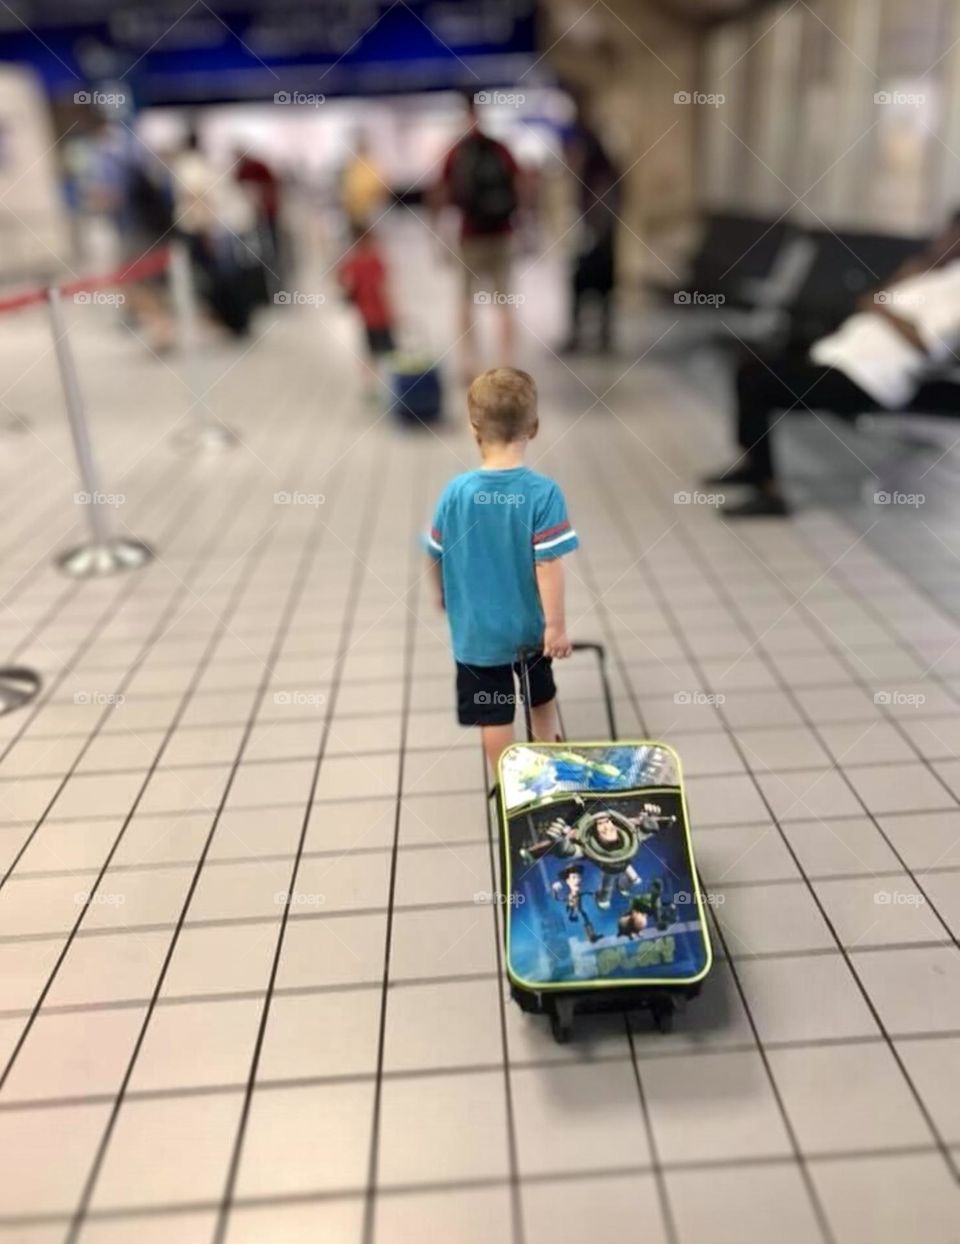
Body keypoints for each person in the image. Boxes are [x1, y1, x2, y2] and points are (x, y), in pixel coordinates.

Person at [705, 211, 960, 517]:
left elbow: (928, 345)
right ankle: (754, 468)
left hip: (869, 380)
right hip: (841, 360)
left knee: (756, 380)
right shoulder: (931, 274)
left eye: (949, 233)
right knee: (752, 368)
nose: (940, 238)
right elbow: (877, 299)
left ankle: (769, 493)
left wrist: (880, 308)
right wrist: (904, 279)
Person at [424, 368, 578, 772]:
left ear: (474, 427)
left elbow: (434, 550)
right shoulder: (543, 493)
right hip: (529, 629)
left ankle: (508, 782)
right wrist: (556, 628)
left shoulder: (456, 493)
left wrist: (439, 591)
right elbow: (548, 564)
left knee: (493, 713)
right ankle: (551, 773)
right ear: (535, 426)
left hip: (476, 630)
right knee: (540, 698)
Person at [434, 94, 521, 383]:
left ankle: (468, 364)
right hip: (501, 234)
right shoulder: (500, 149)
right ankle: (507, 363)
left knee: (464, 301)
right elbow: (520, 187)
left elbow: (442, 194)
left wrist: (438, 235)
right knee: (504, 301)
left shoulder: (456, 153)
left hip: (469, 236)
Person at [560, 109, 621, 354]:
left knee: (588, 285)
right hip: (599, 239)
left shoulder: (599, 173)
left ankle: (592, 337)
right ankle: (597, 336)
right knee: (597, 289)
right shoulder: (595, 170)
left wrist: (591, 237)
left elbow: (604, 208)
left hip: (599, 241)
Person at [337, 224, 395, 400]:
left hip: (370, 317)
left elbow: (341, 278)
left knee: (373, 354)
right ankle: (381, 386)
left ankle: (373, 387)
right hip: (379, 316)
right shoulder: (374, 260)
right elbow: (385, 287)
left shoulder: (354, 262)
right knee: (385, 354)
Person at [341, 136, 389, 232]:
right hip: (356, 212)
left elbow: (384, 186)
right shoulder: (352, 166)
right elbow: (347, 190)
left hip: (373, 210)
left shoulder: (374, 164)